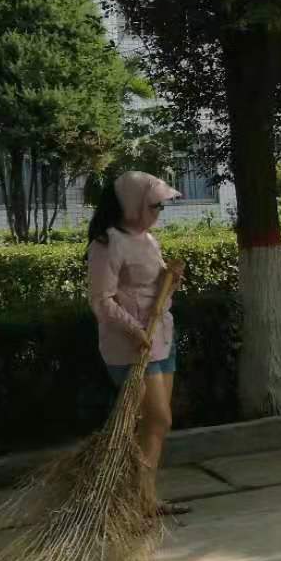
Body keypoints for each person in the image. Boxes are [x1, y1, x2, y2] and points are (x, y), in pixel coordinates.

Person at [86, 171, 188, 515]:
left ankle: (144, 499)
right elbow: (101, 300)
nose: (159, 211)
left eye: (161, 206)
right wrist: (134, 331)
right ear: (132, 204)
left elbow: (152, 290)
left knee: (157, 422)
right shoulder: (107, 242)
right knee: (155, 419)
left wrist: (170, 280)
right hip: (131, 345)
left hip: (160, 339)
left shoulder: (147, 239)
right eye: (154, 205)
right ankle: (131, 500)